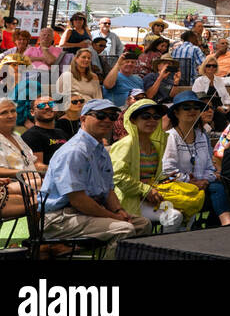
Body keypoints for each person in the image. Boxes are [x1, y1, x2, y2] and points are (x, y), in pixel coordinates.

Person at [39, 98, 151, 250]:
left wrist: (119, 210)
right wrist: (114, 217)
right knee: (124, 228)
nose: (107, 120)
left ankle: (75, 249)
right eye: (100, 116)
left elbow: (108, 189)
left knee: (143, 224)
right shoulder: (75, 151)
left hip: (84, 212)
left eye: (112, 117)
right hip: (59, 217)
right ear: (83, 119)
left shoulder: (100, 150)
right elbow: (78, 200)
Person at [162, 91, 230, 226]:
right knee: (217, 190)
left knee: (219, 187)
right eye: (186, 108)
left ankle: (223, 227)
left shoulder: (202, 136)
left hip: (203, 187)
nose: (192, 111)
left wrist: (205, 180)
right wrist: (191, 181)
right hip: (180, 188)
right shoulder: (170, 137)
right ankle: (226, 226)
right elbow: (167, 171)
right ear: (176, 112)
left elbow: (209, 166)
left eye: (196, 108)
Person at [109, 98, 170, 227]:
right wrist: (145, 190)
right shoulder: (126, 144)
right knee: (174, 217)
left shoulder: (156, 145)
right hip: (130, 201)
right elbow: (116, 176)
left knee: (188, 207)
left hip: (153, 198)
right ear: (133, 120)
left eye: (156, 117)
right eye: (146, 116)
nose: (152, 121)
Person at [21, 97, 68, 164]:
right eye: (41, 105)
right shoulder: (30, 136)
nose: (47, 107)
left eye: (51, 104)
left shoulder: (61, 132)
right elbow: (37, 167)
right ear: (32, 112)